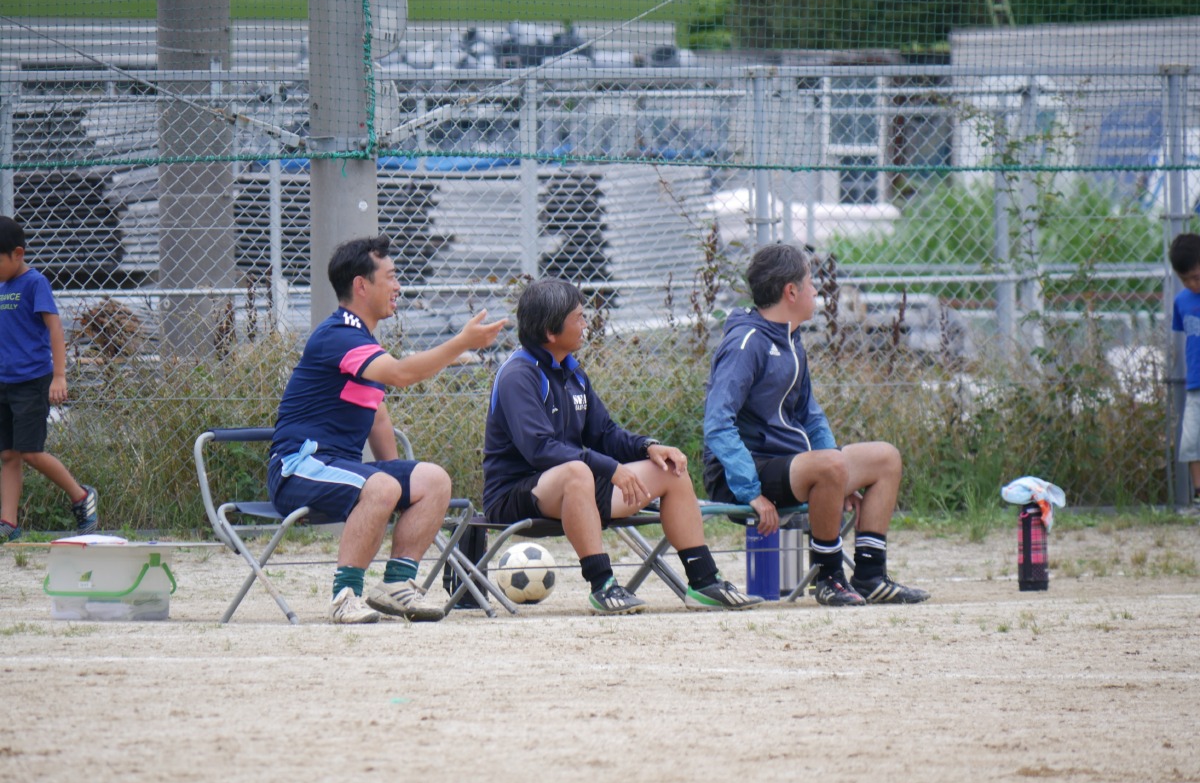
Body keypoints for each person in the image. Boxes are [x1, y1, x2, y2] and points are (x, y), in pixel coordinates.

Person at [483, 277, 764, 615]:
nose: (586, 325)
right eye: (579, 318)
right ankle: (603, 586)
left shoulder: (572, 373)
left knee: (669, 470)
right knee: (576, 472)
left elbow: (604, 434)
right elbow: (540, 449)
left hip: (576, 485)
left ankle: (704, 582)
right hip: (515, 493)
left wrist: (648, 447)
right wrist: (611, 469)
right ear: (550, 331)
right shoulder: (519, 375)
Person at [269, 235, 505, 624]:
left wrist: (397, 482)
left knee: (434, 481)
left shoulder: (362, 340)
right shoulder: (337, 334)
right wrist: (460, 342)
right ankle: (345, 596)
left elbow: (377, 415)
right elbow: (399, 374)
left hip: (340, 467)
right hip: (298, 467)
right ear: (361, 286)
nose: (398, 286)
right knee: (382, 486)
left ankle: (397, 586)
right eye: (391, 276)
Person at [702, 243, 928, 606]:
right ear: (791, 292)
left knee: (885, 458)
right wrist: (750, 491)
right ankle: (829, 578)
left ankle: (870, 576)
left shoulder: (790, 338)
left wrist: (835, 472)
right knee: (830, 465)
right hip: (741, 473)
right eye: (810, 283)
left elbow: (810, 414)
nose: (816, 291)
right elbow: (717, 423)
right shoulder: (747, 343)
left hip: (790, 464)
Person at [0, 216, 98, 542]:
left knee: (30, 452)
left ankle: (81, 496)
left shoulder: (34, 283)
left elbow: (55, 328)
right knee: (8, 454)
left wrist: (59, 375)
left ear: (18, 253)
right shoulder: (1, 285)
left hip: (32, 381)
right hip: (4, 382)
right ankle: (8, 523)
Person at [1169, 232, 1200, 510]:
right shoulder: (1182, 301)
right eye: (1185, 279)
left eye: (1197, 277)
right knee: (1192, 442)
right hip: (1195, 384)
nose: (1192, 284)